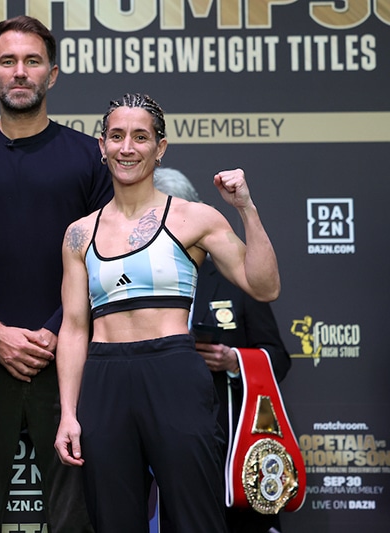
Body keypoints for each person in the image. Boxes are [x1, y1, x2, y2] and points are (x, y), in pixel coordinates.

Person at [54, 93, 280, 533]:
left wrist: (246, 209)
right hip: (104, 380)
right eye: (116, 136)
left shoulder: (195, 218)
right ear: (101, 146)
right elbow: (75, 328)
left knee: (196, 517)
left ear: (160, 148)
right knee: (114, 521)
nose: (127, 147)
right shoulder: (79, 234)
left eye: (140, 137)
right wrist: (67, 412)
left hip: (173, 371)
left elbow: (265, 286)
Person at [0, 15, 111, 533]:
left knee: (77, 510)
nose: (20, 72)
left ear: (52, 74)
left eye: (32, 61)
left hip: (69, 357)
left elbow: (106, 258)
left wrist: (56, 331)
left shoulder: (90, 157)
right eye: (8, 62)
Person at [154, 167, 292, 533]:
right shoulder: (138, 287)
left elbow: (278, 356)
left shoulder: (234, 278)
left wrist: (234, 361)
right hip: (159, 432)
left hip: (231, 442)